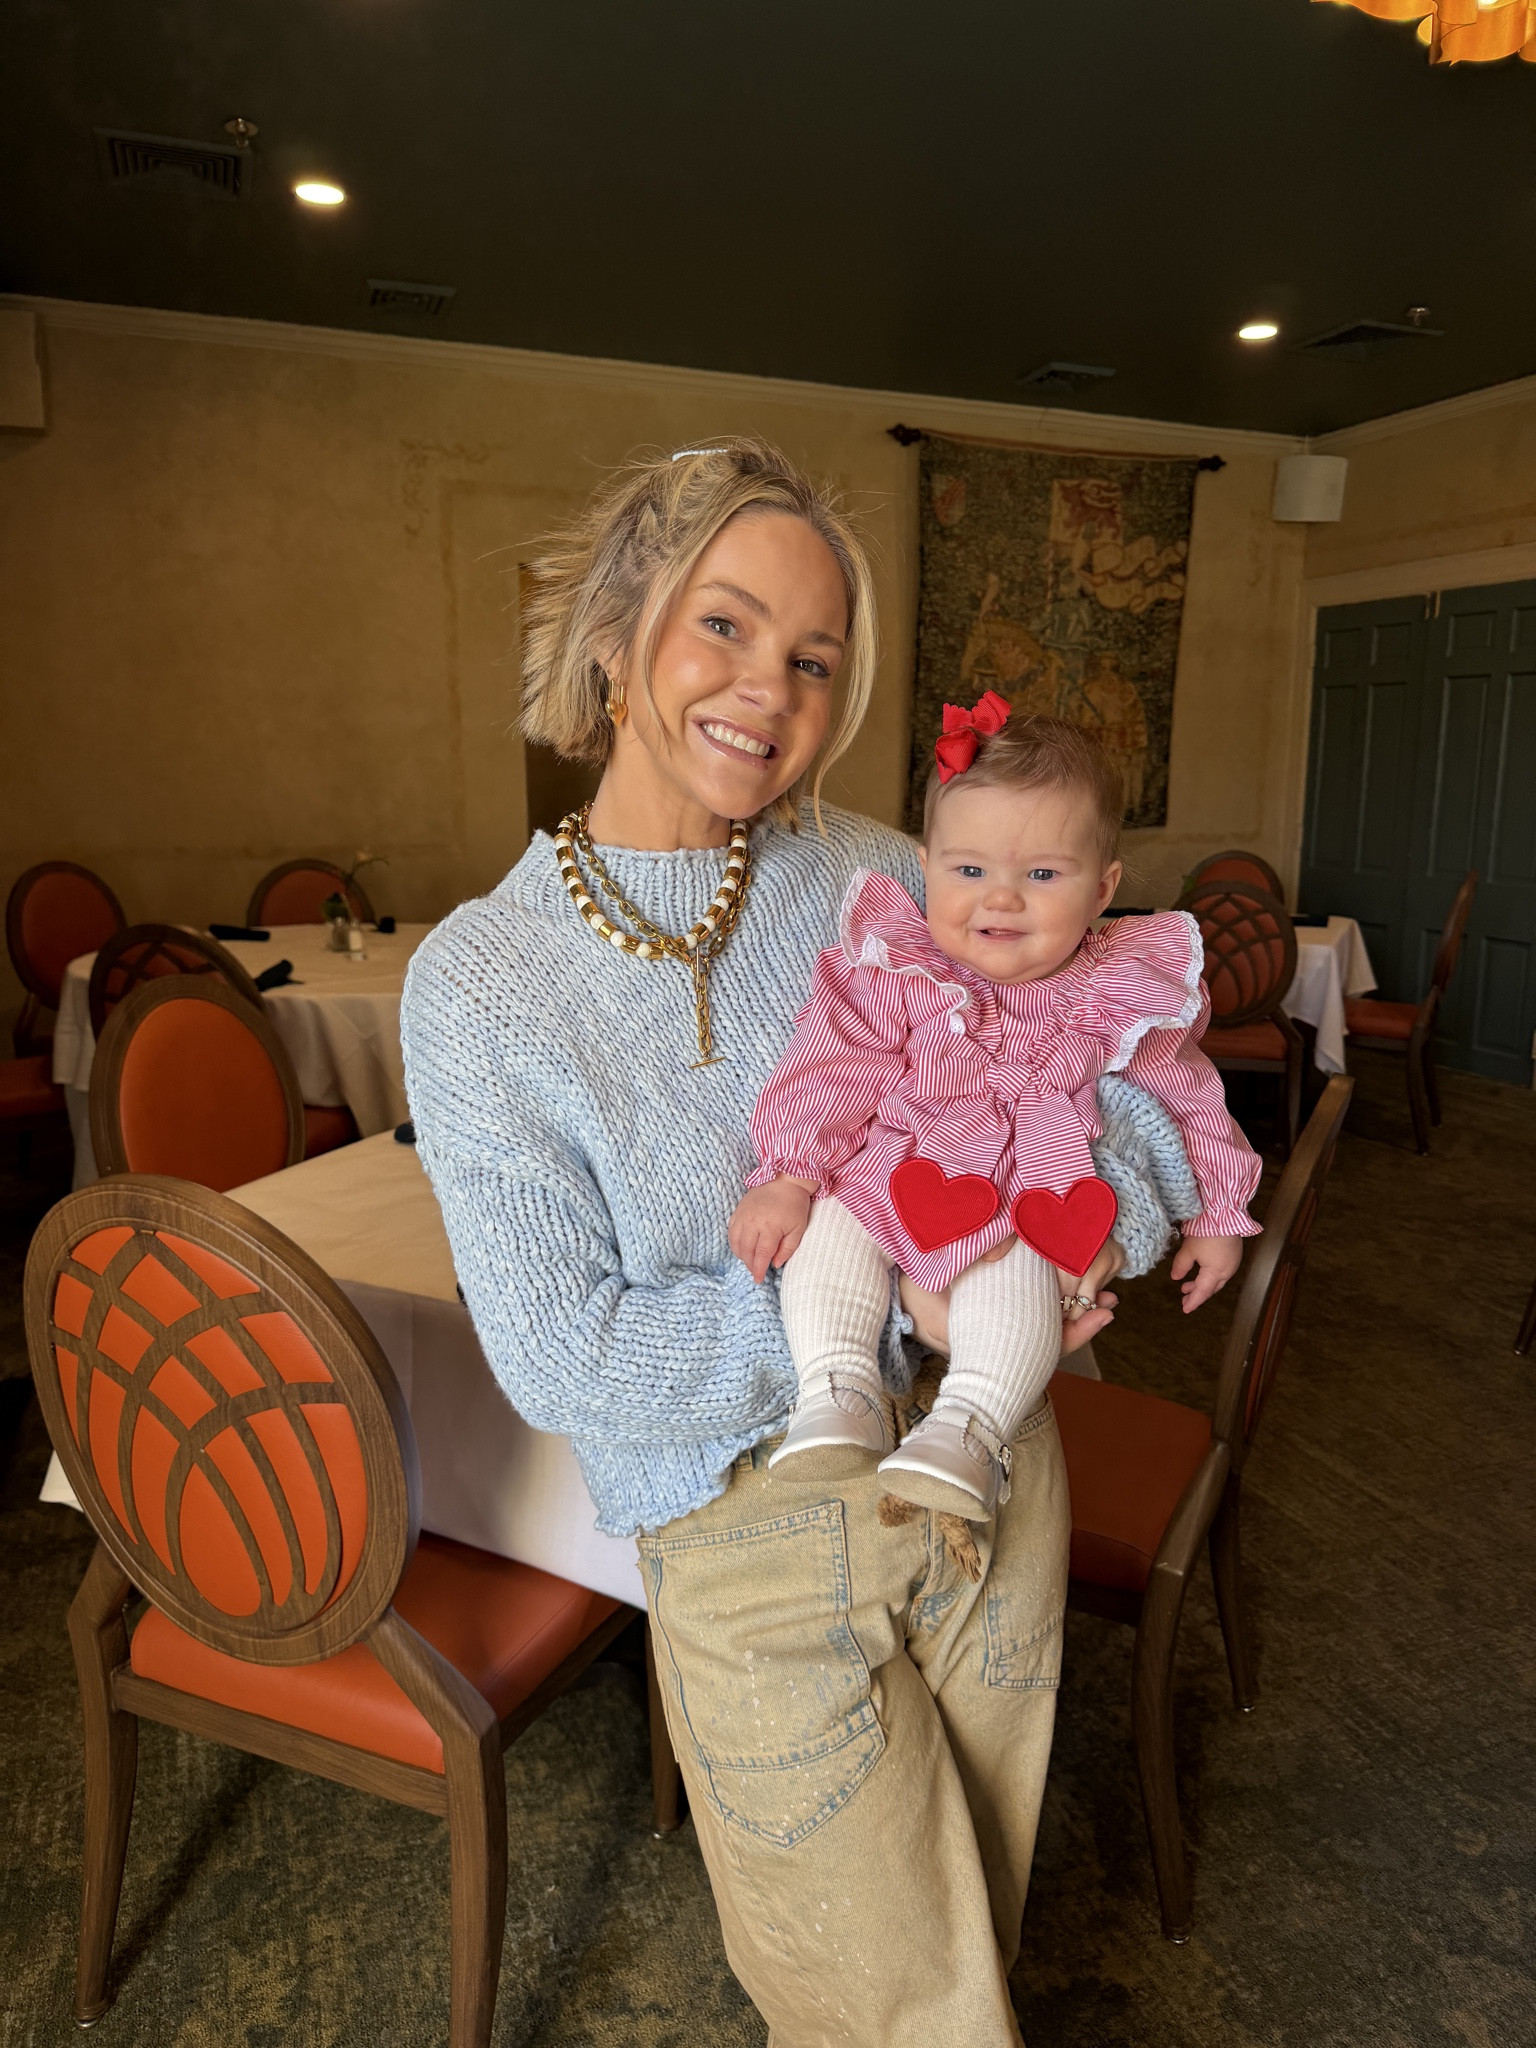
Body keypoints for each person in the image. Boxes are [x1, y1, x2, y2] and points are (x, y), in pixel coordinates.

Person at [401, 440, 1204, 2047]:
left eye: (815, 658)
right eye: (727, 626)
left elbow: (1133, 1082)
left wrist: (1078, 1221)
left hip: (993, 1479)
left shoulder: (887, 880)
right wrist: (886, 1314)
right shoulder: (484, 979)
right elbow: (571, 1355)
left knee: (977, 1927)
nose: (768, 687)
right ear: (625, 632)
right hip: (745, 1534)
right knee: (889, 2014)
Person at [730, 700, 1262, 1523]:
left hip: (1031, 1182)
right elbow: (831, 1067)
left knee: (1020, 1264)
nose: (1001, 900)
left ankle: (971, 1429)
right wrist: (789, 1175)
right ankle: (836, 1390)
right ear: (926, 864)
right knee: (832, 1224)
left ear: (1104, 888)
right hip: (894, 1168)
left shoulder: (1116, 988)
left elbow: (1190, 1098)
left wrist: (1219, 1210)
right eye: (969, 871)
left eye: (1042, 875)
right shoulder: (895, 967)